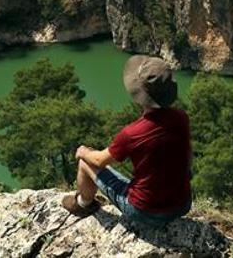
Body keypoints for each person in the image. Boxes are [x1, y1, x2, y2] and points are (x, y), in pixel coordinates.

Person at [62, 55, 192, 227]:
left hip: (144, 211)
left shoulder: (132, 133)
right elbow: (188, 155)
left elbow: (99, 160)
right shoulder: (181, 118)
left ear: (139, 94)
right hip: (182, 205)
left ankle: (83, 204)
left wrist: (83, 151)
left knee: (86, 162)